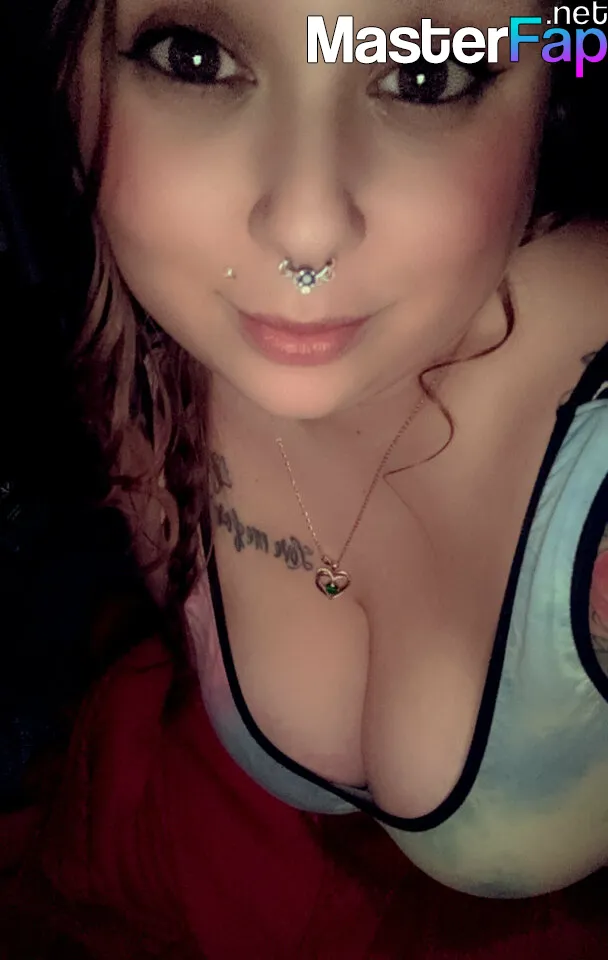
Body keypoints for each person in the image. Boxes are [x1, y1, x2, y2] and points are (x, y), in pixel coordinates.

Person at [4, 0, 608, 956]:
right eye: (193, 57)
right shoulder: (150, 379)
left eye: (425, 75)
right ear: (67, 77)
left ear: (553, 102)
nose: (306, 228)